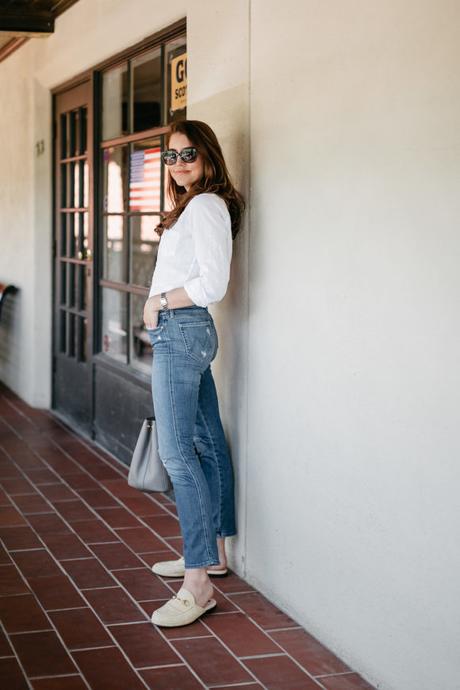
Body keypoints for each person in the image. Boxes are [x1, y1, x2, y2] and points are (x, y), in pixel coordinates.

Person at [143, 120, 245, 627]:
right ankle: (213, 555)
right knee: (205, 440)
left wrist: (157, 302)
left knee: (178, 454)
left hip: (180, 329)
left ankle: (198, 584)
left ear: (207, 157)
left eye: (188, 154)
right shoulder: (195, 205)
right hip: (184, 331)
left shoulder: (206, 205)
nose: (179, 163)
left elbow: (212, 284)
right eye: (171, 156)